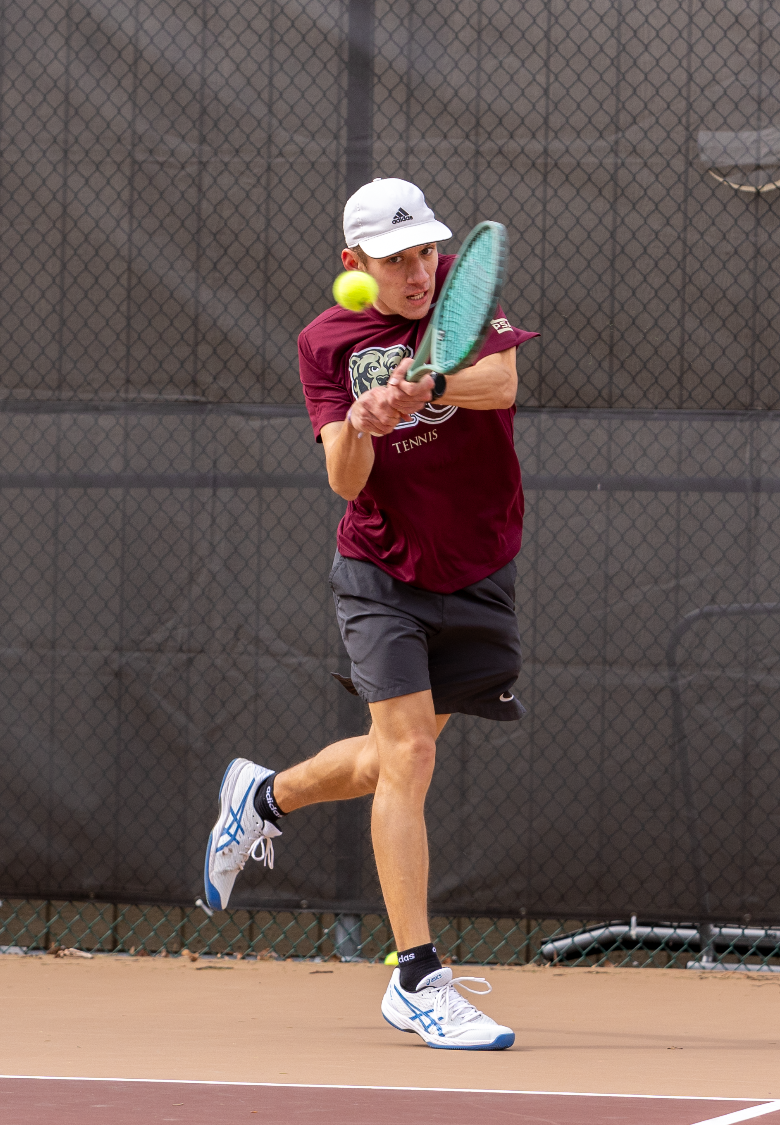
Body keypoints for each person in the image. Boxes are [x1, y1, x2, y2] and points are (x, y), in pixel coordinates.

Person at [202, 178, 536, 1051]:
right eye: (396, 260)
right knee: (412, 754)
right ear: (355, 266)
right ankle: (418, 976)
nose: (420, 271)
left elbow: (499, 382)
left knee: (398, 755)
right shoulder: (324, 342)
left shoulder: (463, 288)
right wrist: (360, 415)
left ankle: (263, 796)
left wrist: (419, 384)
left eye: (425, 249)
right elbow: (345, 479)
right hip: (381, 568)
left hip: (478, 564)